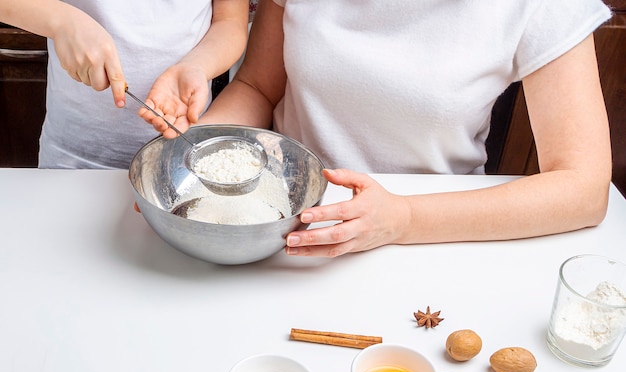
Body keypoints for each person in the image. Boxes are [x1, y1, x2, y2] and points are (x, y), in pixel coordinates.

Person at [148, 0, 613, 259]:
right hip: (280, 232)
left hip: (438, 239)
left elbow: (583, 189)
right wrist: (188, 163)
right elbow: (258, 86)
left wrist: (403, 220)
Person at [0, 0, 249, 168]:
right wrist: (60, 21)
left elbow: (229, 22)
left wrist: (196, 66)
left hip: (180, 155)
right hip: (72, 156)